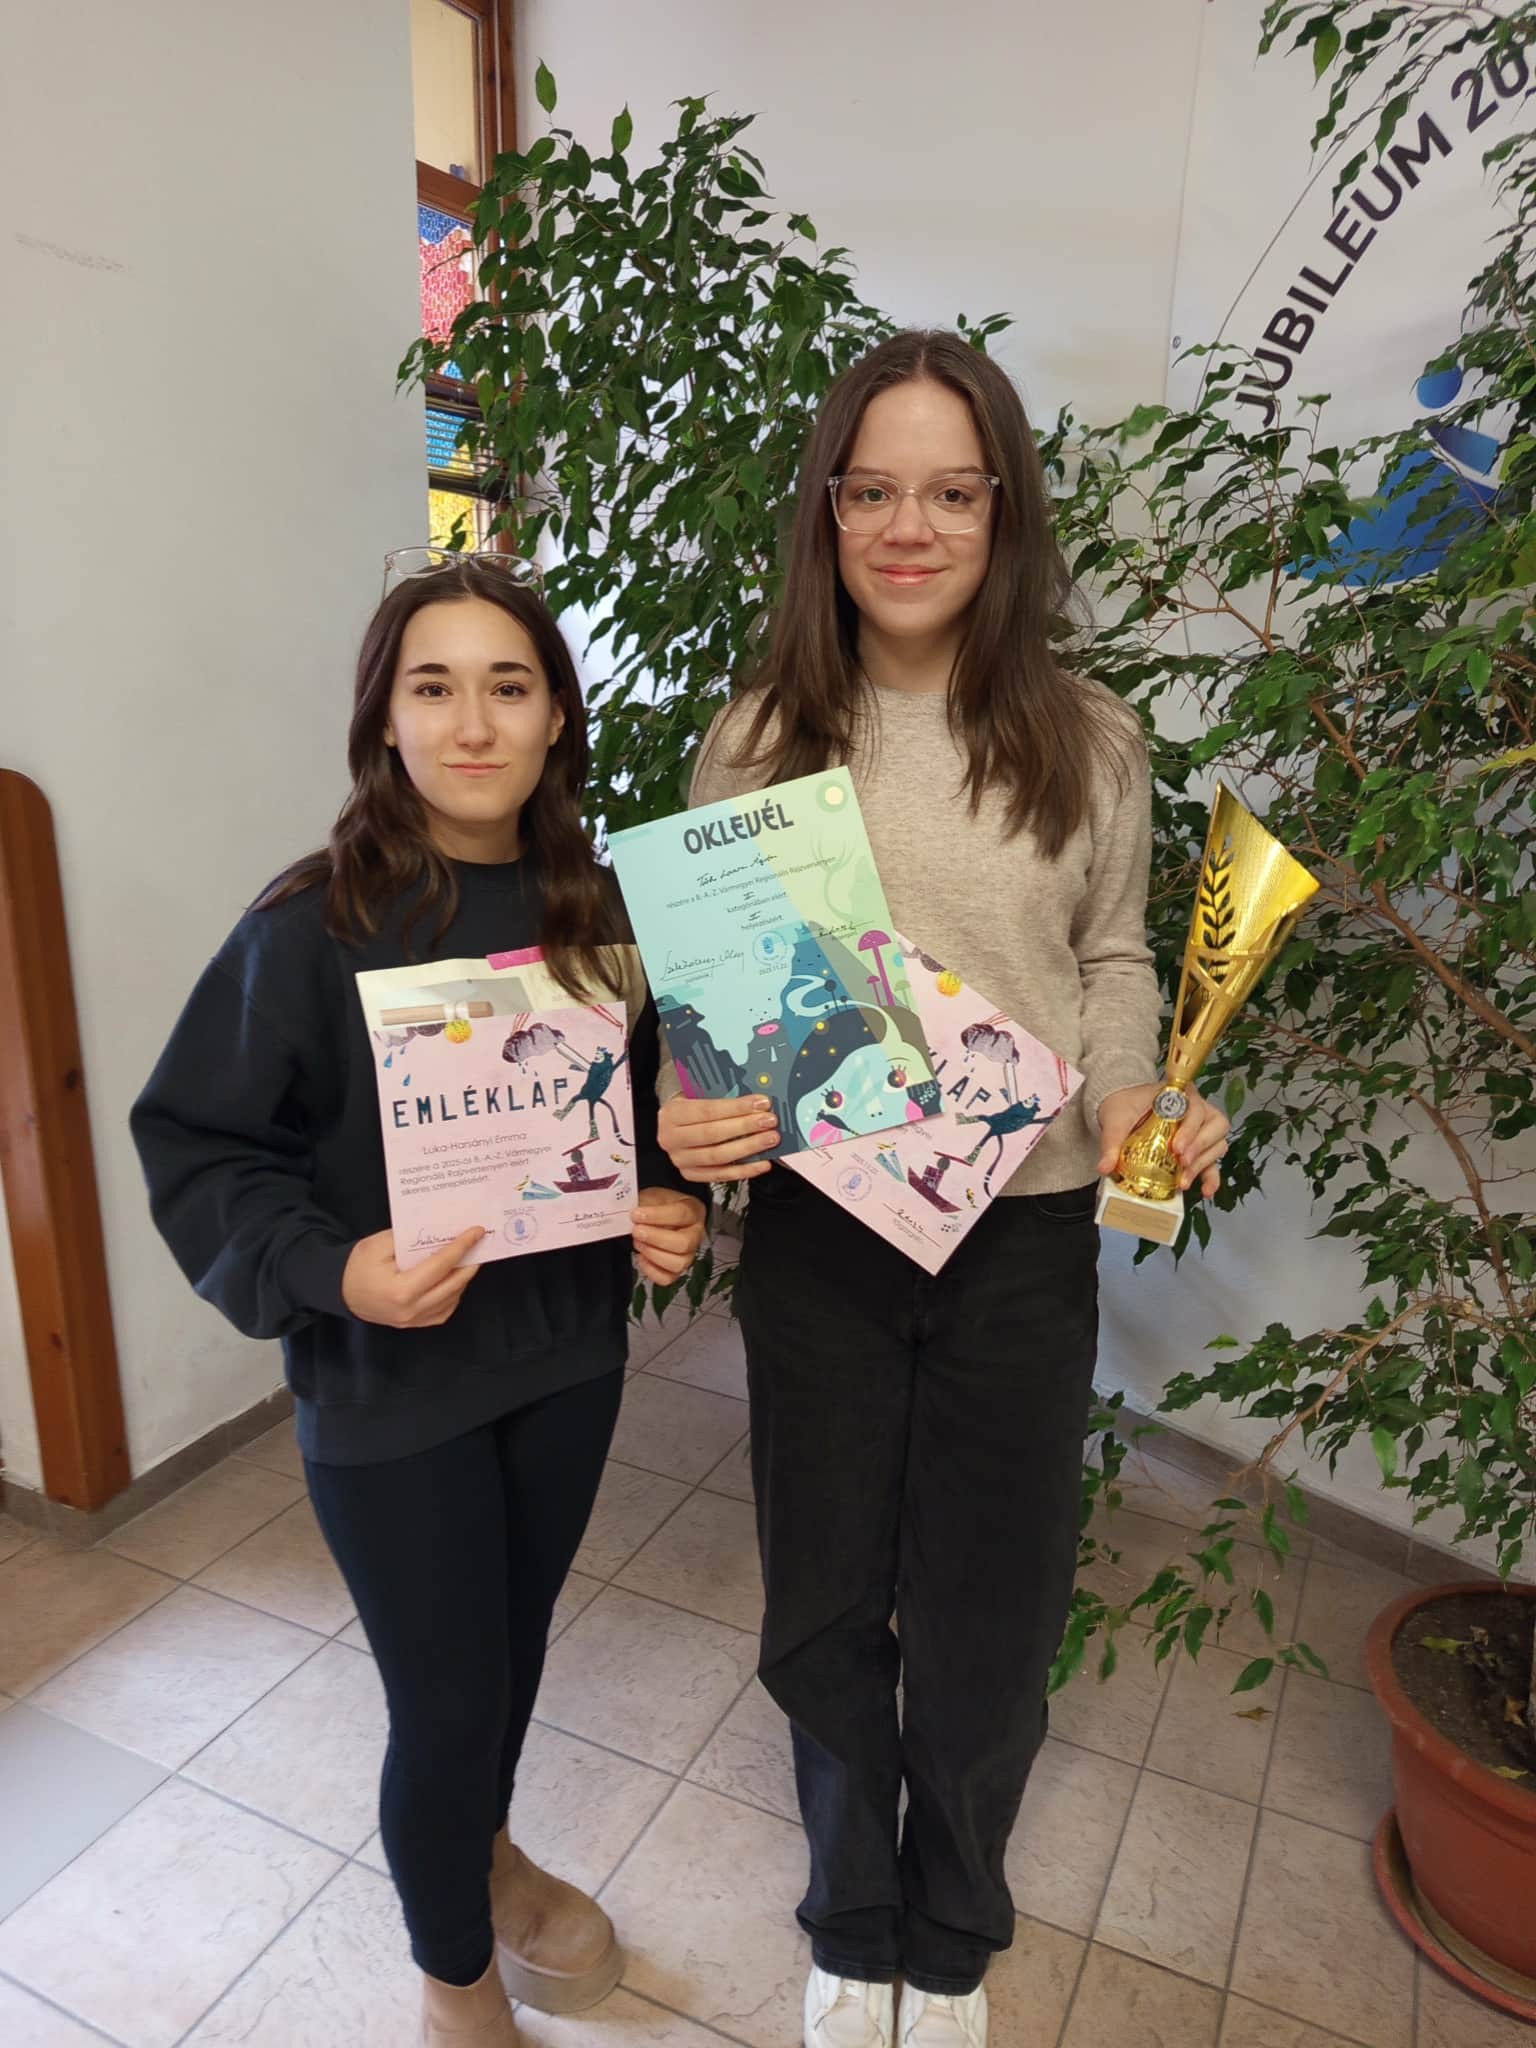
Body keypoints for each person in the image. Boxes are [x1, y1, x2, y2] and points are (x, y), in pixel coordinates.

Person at [657, 333, 1229, 2048]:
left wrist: (1133, 1092)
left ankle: (956, 1921)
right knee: (824, 1598)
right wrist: (691, 1105)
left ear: (1004, 511)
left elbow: (1114, 957)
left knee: (992, 1609)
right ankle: (851, 1914)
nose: (910, 528)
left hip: (1025, 1236)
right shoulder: (760, 736)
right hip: (825, 1239)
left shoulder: (1089, 738)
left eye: (952, 493)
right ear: (829, 511)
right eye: (874, 491)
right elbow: (713, 999)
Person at [132, 557, 706, 2046]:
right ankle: (455, 1982)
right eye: (432, 687)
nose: (472, 722)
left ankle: (487, 1849)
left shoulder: (603, 911)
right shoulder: (306, 928)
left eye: (508, 686)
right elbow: (201, 1147)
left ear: (557, 715)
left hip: (563, 1361)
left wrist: (664, 1201)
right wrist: (335, 1272)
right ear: (384, 719)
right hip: (389, 1389)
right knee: (444, 1703)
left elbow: (641, 1117)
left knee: (510, 1657)